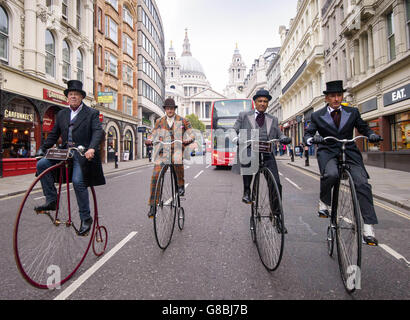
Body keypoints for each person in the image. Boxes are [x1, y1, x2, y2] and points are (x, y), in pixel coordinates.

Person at [304, 80, 382, 245]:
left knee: (362, 183)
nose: (336, 99)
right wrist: (312, 139)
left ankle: (368, 227)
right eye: (333, 96)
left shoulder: (352, 112)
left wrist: (371, 134)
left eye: (339, 95)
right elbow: (308, 133)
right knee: (331, 174)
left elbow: (363, 127)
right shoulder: (317, 115)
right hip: (328, 150)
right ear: (327, 98)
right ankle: (324, 202)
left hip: (349, 150)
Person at [35, 80, 106, 236]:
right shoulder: (62, 114)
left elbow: (97, 132)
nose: (73, 97)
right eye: (71, 94)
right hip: (64, 153)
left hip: (81, 154)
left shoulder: (91, 113)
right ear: (67, 97)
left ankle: (86, 218)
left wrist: (92, 148)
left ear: (81, 97)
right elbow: (54, 134)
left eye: (76, 94)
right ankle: (52, 200)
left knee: (78, 181)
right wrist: (43, 148)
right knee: (42, 164)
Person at [233, 89, 291, 207]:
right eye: (260, 101)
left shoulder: (273, 119)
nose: (262, 103)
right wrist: (236, 138)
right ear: (255, 102)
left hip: (267, 152)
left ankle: (275, 213)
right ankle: (247, 191)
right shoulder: (244, 116)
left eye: (265, 101)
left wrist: (284, 138)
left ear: (268, 103)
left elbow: (279, 134)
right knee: (248, 158)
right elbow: (233, 130)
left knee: (276, 183)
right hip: (250, 149)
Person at [145, 98, 195, 218]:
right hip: (163, 152)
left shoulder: (183, 121)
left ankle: (180, 185)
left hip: (177, 149)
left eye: (171, 108)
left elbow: (191, 132)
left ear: (174, 109)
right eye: (167, 108)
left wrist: (189, 139)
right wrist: (150, 139)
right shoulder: (159, 121)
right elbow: (153, 133)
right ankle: (153, 205)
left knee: (177, 161)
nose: (170, 110)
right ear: (165, 109)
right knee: (155, 175)